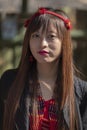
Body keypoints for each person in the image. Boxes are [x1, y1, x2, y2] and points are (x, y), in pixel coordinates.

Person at [0, 7, 87, 130]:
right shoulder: (10, 81)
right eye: (36, 35)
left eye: (51, 36)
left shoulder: (82, 91)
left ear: (64, 42)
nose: (43, 44)